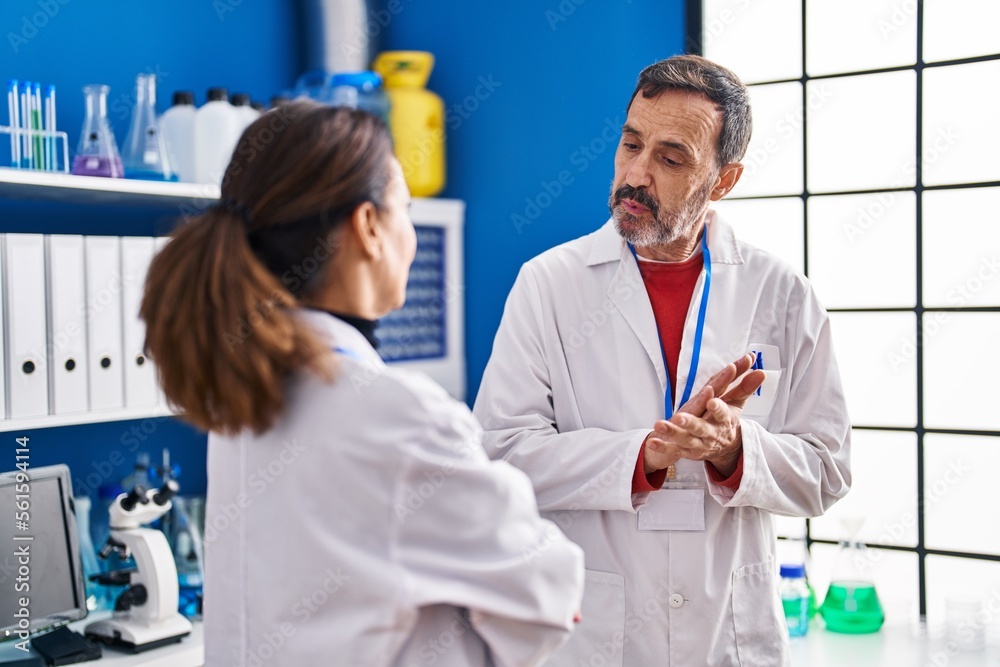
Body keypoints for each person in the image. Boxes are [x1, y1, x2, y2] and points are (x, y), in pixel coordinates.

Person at [140, 101, 584, 667]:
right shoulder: (398, 414)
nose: (413, 234)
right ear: (369, 226)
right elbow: (547, 601)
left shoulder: (242, 399)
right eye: (404, 207)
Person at [473, 55, 851, 666]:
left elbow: (826, 470)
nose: (637, 175)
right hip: (595, 635)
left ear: (724, 180)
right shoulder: (547, 284)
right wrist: (643, 456)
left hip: (730, 631)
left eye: (671, 159)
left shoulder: (782, 293)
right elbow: (499, 453)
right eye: (630, 145)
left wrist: (736, 450)